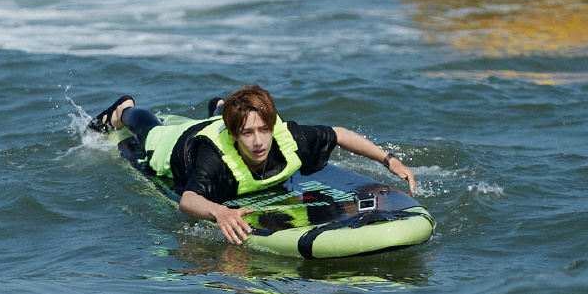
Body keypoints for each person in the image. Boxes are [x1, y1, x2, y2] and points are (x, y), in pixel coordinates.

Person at [89, 84, 417, 244]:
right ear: (234, 136)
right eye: (248, 133)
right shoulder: (215, 159)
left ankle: (222, 107)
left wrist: (388, 160)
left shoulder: (287, 136)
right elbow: (188, 200)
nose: (259, 141)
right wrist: (219, 212)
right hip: (180, 145)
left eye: (264, 130)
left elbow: (340, 134)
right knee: (150, 132)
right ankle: (123, 109)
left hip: (226, 124)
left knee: (245, 117)